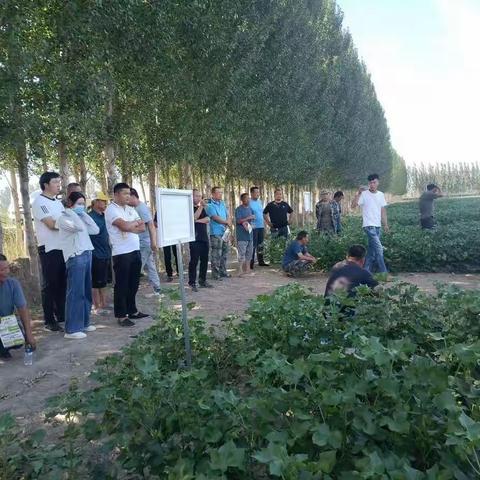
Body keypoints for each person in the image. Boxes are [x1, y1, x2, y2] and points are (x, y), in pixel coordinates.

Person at [105, 183, 149, 327]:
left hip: (135, 249)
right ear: (116, 194)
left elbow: (142, 227)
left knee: (134, 283)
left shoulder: (131, 209)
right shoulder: (111, 210)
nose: (128, 196)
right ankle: (121, 315)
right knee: (122, 285)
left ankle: (132, 310)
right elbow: (123, 226)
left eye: (129, 193)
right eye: (124, 193)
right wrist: (133, 224)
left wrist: (132, 225)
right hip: (121, 252)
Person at [57, 192, 100, 339]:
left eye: (83, 204)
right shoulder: (63, 218)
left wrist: (84, 214)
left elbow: (95, 230)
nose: (82, 207)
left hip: (87, 254)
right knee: (75, 292)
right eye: (79, 204)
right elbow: (79, 228)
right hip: (75, 256)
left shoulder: (80, 217)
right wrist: (73, 212)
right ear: (70, 203)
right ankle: (71, 329)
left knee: (86, 291)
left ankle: (84, 322)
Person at [32, 171, 66, 332]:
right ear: (46, 184)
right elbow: (51, 224)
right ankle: (49, 320)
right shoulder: (39, 202)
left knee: (62, 283)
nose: (59, 185)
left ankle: (61, 315)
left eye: (59, 182)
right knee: (50, 284)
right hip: (49, 248)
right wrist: (68, 225)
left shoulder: (58, 203)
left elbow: (63, 220)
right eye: (55, 182)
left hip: (61, 247)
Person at [0, 254, 36, 360]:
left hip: (6, 323)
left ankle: (3, 350)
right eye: (2, 270)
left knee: (19, 339)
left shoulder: (13, 284)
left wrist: (29, 335)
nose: (6, 272)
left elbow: (22, 309)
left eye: (7, 268)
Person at [351, 174, 389, 273]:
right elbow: (353, 206)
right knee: (379, 248)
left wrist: (385, 224)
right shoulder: (364, 194)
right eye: (370, 183)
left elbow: (383, 210)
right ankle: (384, 273)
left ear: (378, 183)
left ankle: (366, 271)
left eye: (374, 182)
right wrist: (358, 193)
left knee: (372, 251)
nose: (372, 184)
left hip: (377, 226)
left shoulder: (381, 194)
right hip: (368, 226)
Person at [128, 189, 161, 296]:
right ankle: (157, 288)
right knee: (150, 265)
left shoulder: (141, 208)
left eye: (128, 197)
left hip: (145, 243)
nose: (127, 200)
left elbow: (151, 225)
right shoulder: (136, 208)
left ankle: (131, 290)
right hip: (143, 242)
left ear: (134, 196)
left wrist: (153, 242)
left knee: (137, 266)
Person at [88, 192, 112, 314]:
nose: (105, 203)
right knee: (95, 282)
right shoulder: (89, 217)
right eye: (103, 201)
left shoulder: (104, 216)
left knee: (103, 280)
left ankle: (104, 303)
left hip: (105, 252)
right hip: (95, 253)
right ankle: (96, 307)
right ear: (96, 202)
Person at [206, 187, 232, 280]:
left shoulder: (222, 203)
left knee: (225, 252)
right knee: (216, 254)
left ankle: (223, 271)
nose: (221, 194)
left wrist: (228, 222)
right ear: (213, 194)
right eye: (218, 193)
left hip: (225, 232)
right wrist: (226, 222)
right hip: (216, 232)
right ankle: (215, 274)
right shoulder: (209, 205)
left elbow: (228, 215)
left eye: (221, 192)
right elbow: (214, 217)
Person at [188, 189, 212, 291]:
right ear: (191, 196)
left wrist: (197, 221)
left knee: (204, 260)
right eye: (196, 196)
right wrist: (201, 207)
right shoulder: (189, 208)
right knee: (194, 261)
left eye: (200, 196)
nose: (199, 198)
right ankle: (192, 282)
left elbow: (208, 219)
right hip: (194, 238)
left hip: (204, 237)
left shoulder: (200, 208)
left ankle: (202, 280)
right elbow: (192, 218)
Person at [153, 211, 179, 282]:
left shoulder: (173, 210)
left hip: (175, 235)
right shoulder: (159, 210)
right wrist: (162, 226)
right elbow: (155, 223)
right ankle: (169, 274)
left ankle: (179, 272)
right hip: (165, 236)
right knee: (167, 256)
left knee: (177, 253)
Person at [235, 193, 255, 277]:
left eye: (249, 198)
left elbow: (253, 220)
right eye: (246, 198)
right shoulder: (239, 209)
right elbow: (238, 221)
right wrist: (248, 218)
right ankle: (240, 270)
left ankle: (248, 270)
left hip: (250, 235)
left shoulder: (251, 209)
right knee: (241, 253)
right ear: (242, 200)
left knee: (249, 253)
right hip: (241, 235)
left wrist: (252, 224)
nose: (248, 200)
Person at [249, 186, 269, 268]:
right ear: (252, 193)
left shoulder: (260, 202)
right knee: (253, 244)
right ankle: (251, 262)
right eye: (256, 192)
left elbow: (262, 213)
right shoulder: (249, 202)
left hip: (261, 226)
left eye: (258, 192)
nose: (258, 194)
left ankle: (261, 261)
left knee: (261, 244)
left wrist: (265, 223)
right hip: (253, 227)